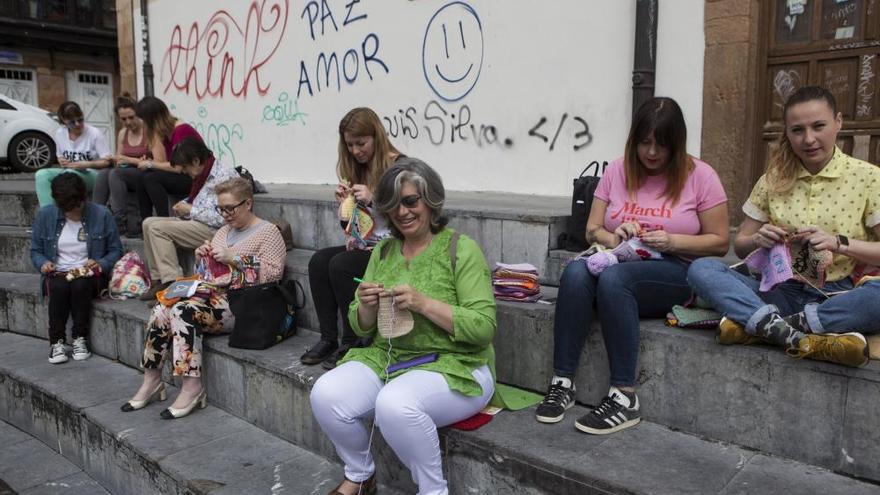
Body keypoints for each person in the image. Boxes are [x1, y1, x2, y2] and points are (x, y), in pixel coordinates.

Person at [534, 97, 730, 434]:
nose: (651, 152)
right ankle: (562, 381)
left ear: (676, 143)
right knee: (576, 272)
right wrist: (615, 237)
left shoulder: (701, 176)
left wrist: (673, 241)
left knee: (614, 280)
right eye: (644, 142)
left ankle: (625, 396)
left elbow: (720, 242)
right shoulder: (616, 169)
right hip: (621, 256)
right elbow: (591, 230)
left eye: (661, 144)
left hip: (675, 270)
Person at [310, 158, 498, 495]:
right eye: (394, 204)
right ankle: (360, 474)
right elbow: (362, 326)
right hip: (391, 357)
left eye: (412, 201)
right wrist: (366, 306)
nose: (403, 212)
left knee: (394, 403)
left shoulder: (460, 249)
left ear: (432, 200)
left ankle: (433, 491)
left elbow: (483, 327)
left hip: (457, 365)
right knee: (326, 394)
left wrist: (424, 304)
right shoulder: (384, 251)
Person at [688, 86, 880, 367]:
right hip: (780, 289)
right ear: (787, 133)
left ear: (838, 122)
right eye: (797, 130)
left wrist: (838, 243)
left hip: (840, 294)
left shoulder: (868, 178)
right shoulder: (773, 179)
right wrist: (757, 240)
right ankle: (808, 332)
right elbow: (740, 246)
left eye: (818, 126)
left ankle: (769, 327)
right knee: (701, 269)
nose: (809, 139)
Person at [122, 176, 286, 418]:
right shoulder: (222, 232)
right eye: (221, 209)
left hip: (242, 303)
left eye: (231, 208)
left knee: (182, 310)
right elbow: (209, 275)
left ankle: (192, 386)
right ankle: (152, 379)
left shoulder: (268, 232)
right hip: (212, 297)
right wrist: (203, 258)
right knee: (161, 308)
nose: (226, 214)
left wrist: (235, 258)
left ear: (248, 203)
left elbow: (274, 274)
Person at [300, 107, 403, 369]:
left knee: (341, 265)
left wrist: (375, 200)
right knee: (319, 261)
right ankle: (328, 338)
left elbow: (408, 214)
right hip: (365, 244)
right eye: (350, 145)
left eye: (361, 143)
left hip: (395, 246)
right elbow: (354, 227)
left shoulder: (399, 165)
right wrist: (346, 206)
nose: (356, 150)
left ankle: (354, 339)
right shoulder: (355, 168)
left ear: (376, 136)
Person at [30, 173, 122, 363]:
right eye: (67, 209)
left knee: (80, 285)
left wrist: (100, 263)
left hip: (89, 273)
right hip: (58, 271)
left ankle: (80, 338)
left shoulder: (101, 214)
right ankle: (57, 341)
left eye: (77, 207)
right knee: (60, 286)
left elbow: (115, 250)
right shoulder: (46, 215)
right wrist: (43, 263)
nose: (73, 212)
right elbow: (36, 251)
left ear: (84, 199)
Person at [137, 137, 240, 301]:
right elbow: (201, 201)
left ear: (197, 160)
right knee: (148, 223)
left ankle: (174, 284)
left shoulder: (224, 176)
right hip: (198, 223)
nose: (183, 172)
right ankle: (158, 279)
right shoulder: (203, 174)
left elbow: (226, 216)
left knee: (158, 229)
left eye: (185, 167)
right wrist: (185, 205)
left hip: (217, 231)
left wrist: (191, 210)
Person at [124, 96, 202, 220]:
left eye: (144, 120)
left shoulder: (181, 130)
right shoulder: (166, 133)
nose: (143, 125)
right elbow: (165, 163)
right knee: (142, 176)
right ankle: (145, 222)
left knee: (151, 177)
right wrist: (149, 162)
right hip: (184, 175)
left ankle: (163, 220)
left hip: (195, 177)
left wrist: (150, 163)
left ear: (152, 119)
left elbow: (177, 167)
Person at [35, 101, 111, 207]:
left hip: (93, 175)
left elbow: (107, 161)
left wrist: (87, 164)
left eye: (80, 120)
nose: (77, 124)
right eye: (72, 122)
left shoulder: (94, 133)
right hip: (68, 173)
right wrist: (62, 161)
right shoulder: (60, 133)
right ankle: (48, 213)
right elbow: (60, 155)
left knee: (69, 174)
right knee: (41, 175)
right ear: (64, 122)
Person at [107, 94, 152, 237]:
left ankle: (119, 218)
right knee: (104, 174)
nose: (127, 122)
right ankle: (100, 215)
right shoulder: (122, 133)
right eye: (123, 119)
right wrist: (117, 159)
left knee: (115, 174)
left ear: (138, 114)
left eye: (131, 117)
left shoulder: (148, 131)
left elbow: (153, 161)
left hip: (144, 173)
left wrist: (130, 160)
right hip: (126, 173)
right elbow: (119, 159)